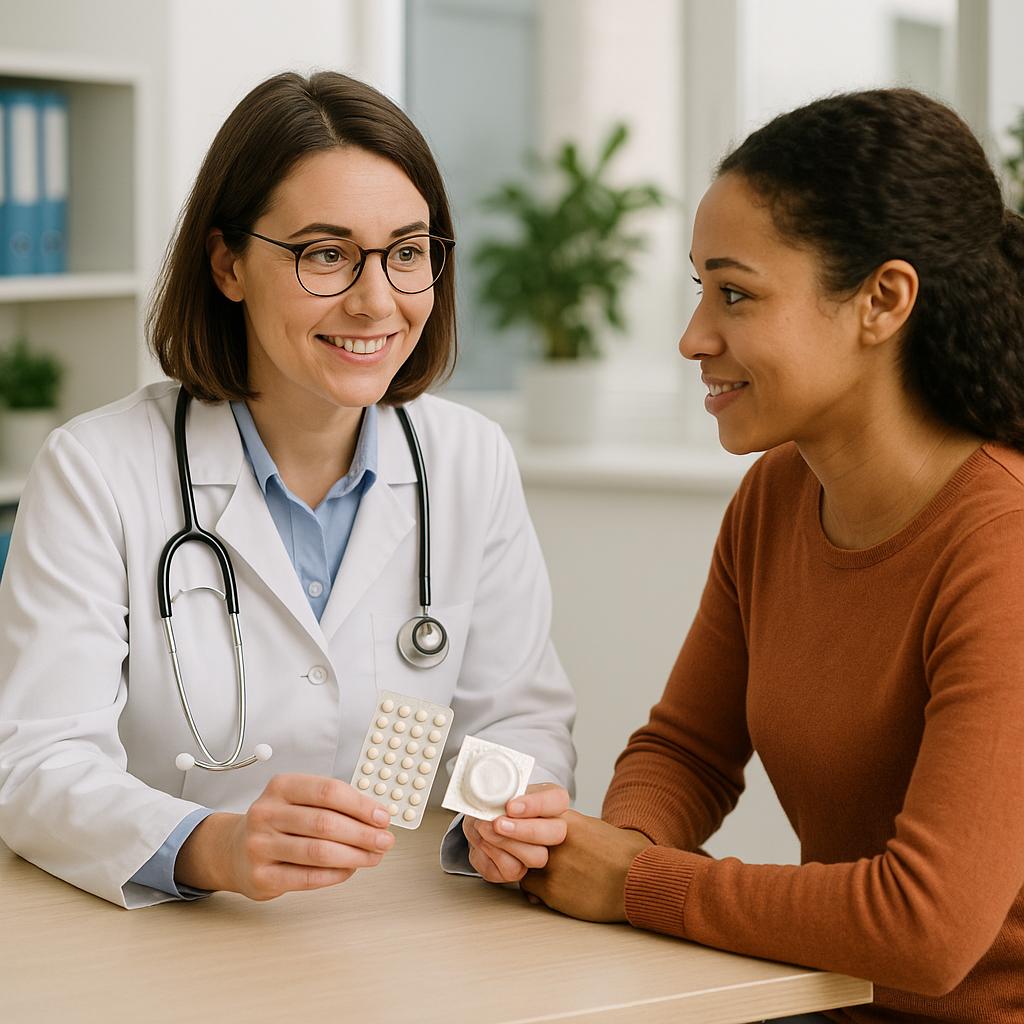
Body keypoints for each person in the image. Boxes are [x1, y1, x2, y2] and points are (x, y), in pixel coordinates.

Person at [504, 88, 1024, 1023]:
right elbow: (689, 751)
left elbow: (926, 928)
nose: (694, 337)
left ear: (883, 300)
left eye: (736, 294)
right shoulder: (778, 496)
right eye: (699, 288)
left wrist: (638, 882)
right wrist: (596, 848)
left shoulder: (1005, 545)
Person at [0, 71, 575, 909]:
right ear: (228, 263)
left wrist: (501, 812)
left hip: (408, 928)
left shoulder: (469, 459)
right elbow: (35, 762)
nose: (378, 300)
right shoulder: (97, 470)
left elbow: (520, 717)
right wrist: (213, 846)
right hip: (173, 939)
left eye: (408, 252)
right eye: (326, 254)